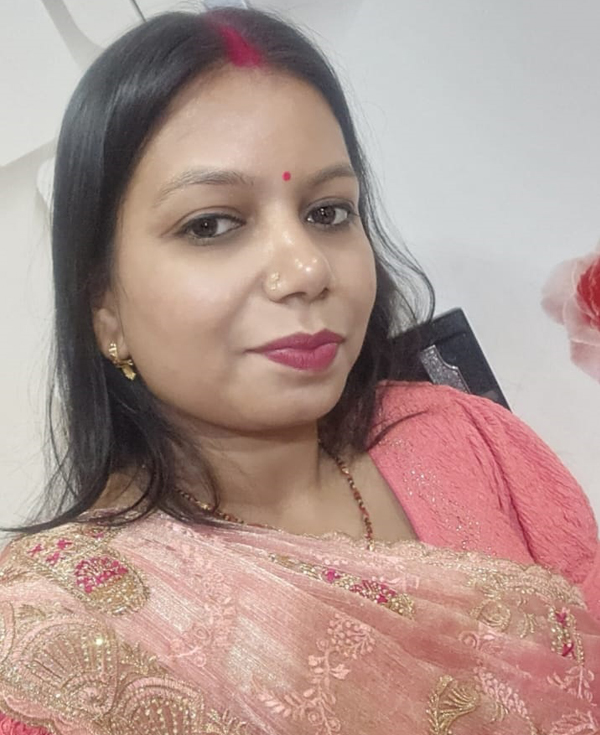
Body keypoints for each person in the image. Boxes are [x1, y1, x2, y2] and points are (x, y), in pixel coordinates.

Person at [0, 8, 598, 734]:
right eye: (211, 224)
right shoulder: (57, 637)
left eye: (327, 212)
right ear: (104, 307)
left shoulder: (464, 436)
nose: (308, 268)